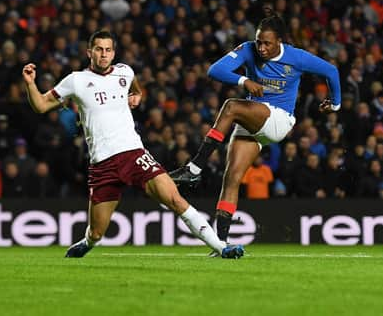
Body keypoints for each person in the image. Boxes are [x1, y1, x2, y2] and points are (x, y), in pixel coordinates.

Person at [22, 29, 244, 259]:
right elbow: (40, 105)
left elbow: (136, 89)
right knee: (97, 232)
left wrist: (137, 96)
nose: (103, 54)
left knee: (175, 199)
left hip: (134, 153)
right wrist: (30, 84)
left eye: (108, 50)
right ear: (89, 52)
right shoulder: (76, 81)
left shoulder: (124, 72)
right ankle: (88, 241)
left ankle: (221, 247)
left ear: (114, 52)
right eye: (99, 49)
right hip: (102, 164)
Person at [170, 11, 341, 246]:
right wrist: (244, 81)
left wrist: (336, 103)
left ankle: (194, 168)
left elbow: (331, 71)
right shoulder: (248, 48)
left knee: (230, 107)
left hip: (279, 120)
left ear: (279, 41)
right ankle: (220, 243)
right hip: (253, 118)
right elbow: (214, 71)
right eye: (259, 41)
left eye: (267, 43)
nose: (261, 48)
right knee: (231, 178)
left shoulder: (297, 57)